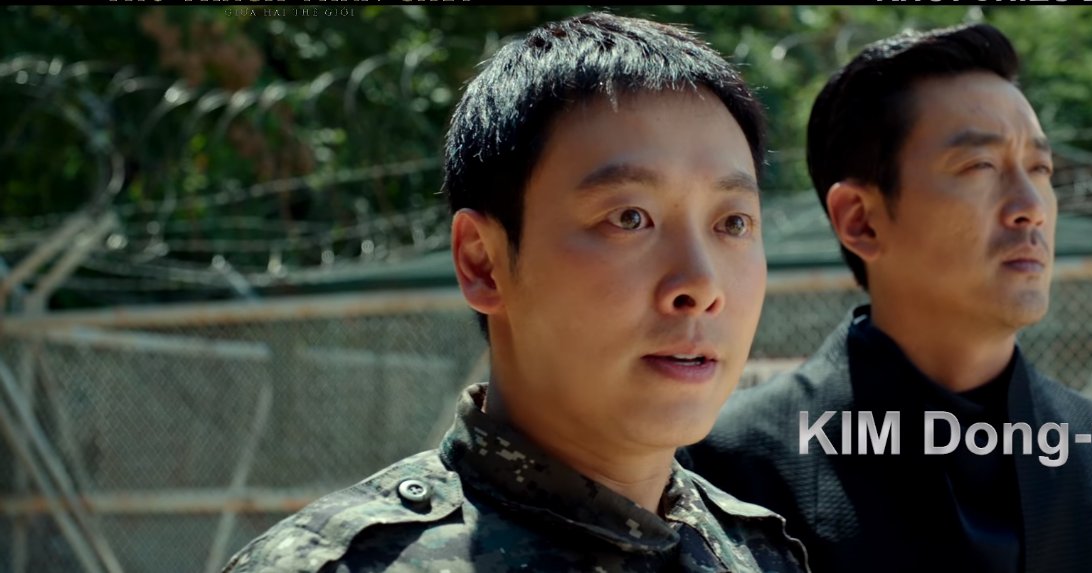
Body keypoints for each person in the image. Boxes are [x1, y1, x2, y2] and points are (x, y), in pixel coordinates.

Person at [222, 12, 808, 573]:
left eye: (733, 223)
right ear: (483, 262)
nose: (701, 286)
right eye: (630, 218)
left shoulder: (760, 555)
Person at [682, 23, 1092, 573]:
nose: (1031, 206)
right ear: (860, 220)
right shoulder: (728, 466)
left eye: (1040, 169)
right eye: (981, 166)